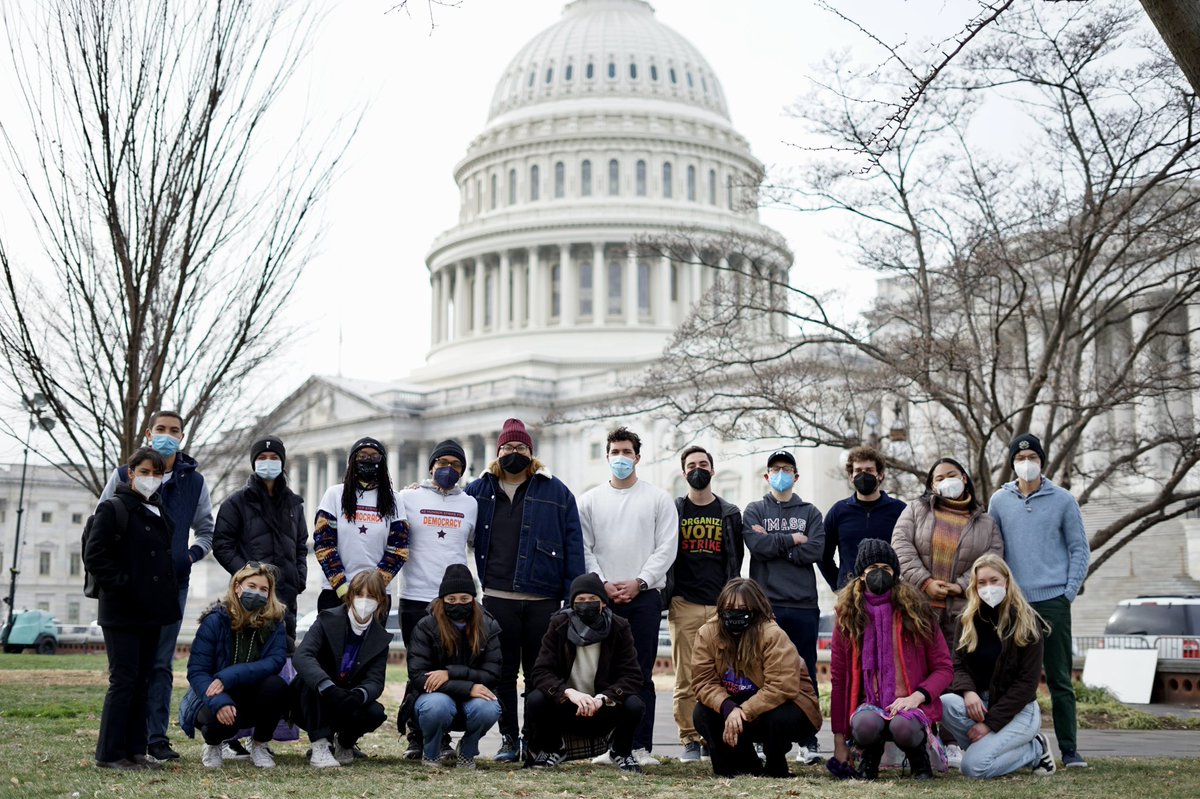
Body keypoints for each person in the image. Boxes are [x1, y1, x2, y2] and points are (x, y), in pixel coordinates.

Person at [464, 418, 584, 762]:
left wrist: (571, 598)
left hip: (542, 600)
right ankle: (507, 739)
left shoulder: (556, 491)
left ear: (531, 453)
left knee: (538, 674)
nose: (513, 453)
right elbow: (452, 506)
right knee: (501, 673)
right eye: (507, 448)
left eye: (520, 448)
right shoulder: (479, 489)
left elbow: (573, 546)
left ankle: (534, 738)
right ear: (497, 451)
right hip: (498, 598)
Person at [98, 410, 214, 762]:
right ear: (149, 433)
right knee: (129, 672)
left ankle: (154, 739)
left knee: (160, 664)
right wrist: (119, 579)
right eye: (160, 429)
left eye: (174, 431)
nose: (167, 435)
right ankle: (120, 746)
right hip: (128, 590)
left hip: (170, 586)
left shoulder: (193, 482)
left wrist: (189, 557)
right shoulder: (122, 477)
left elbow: (207, 530)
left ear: (182, 436)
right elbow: (98, 530)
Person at [988, 433, 1090, 768]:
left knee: (1059, 678)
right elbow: (994, 550)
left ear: (1042, 461)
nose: (1026, 462)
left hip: (1053, 603)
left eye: (1032, 456)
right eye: (1020, 457)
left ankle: (1070, 749)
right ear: (1012, 463)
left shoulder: (1063, 500)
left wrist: (1068, 593)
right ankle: (1022, 747)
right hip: (1014, 604)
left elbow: (1079, 549)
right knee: (1012, 679)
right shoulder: (999, 501)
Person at [578, 426, 677, 766]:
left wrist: (640, 581)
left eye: (626, 452)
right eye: (615, 452)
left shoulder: (658, 499)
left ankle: (638, 747)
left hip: (645, 598)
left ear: (637, 456)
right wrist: (602, 584)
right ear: (607, 457)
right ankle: (607, 747)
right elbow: (584, 549)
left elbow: (666, 548)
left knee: (640, 672)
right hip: (602, 601)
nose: (621, 458)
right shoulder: (589, 500)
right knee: (603, 673)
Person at [86, 447, 180, 770]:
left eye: (156, 473)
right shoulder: (114, 508)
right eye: (144, 472)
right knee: (124, 679)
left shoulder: (158, 510)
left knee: (143, 680)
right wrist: (123, 585)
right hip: (121, 611)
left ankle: (136, 749)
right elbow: (95, 556)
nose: (150, 478)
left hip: (151, 613)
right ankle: (110, 753)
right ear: (131, 474)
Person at [829, 539, 953, 780]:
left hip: (911, 703)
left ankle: (920, 759)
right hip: (869, 705)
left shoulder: (917, 611)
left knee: (902, 727)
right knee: (865, 725)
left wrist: (917, 696)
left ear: (895, 573)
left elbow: (944, 668)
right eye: (872, 568)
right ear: (861, 575)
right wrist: (838, 739)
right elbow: (839, 678)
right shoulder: (848, 616)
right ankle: (869, 759)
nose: (880, 573)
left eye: (886, 568)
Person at [741, 449, 825, 764]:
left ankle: (808, 741)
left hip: (803, 604)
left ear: (796, 475)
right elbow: (756, 547)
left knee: (806, 671)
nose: (780, 473)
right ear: (767, 475)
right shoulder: (754, 510)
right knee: (760, 670)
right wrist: (793, 539)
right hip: (765, 606)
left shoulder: (811, 511)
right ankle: (762, 737)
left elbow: (814, 551)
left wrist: (777, 545)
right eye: (775, 469)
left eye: (786, 468)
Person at [690, 578, 823, 778]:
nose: (734, 613)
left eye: (742, 608)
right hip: (738, 705)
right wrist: (728, 707)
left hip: (788, 705)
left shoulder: (772, 634)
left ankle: (776, 764)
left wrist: (742, 711)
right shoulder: (708, 633)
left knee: (777, 716)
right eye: (728, 608)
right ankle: (742, 765)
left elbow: (782, 686)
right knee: (703, 713)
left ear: (756, 608)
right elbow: (703, 682)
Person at [396, 439, 479, 758]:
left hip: (453, 601)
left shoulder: (470, 503)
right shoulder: (409, 497)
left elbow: (473, 542)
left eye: (456, 465)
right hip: (415, 596)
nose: (449, 469)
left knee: (446, 667)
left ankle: (439, 735)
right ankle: (416, 736)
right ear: (431, 465)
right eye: (443, 462)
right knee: (418, 670)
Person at [940, 554, 1057, 778]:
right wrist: (968, 691)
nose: (988, 587)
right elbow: (957, 664)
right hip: (981, 704)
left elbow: (1027, 684)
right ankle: (989, 749)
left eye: (994, 580)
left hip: (1018, 711)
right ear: (974, 587)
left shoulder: (1027, 621)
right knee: (946, 703)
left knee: (973, 768)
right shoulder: (966, 620)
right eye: (981, 583)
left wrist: (990, 724)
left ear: (1007, 581)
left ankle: (1035, 748)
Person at [665, 445, 744, 763]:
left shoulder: (729, 512)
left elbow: (735, 558)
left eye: (703, 464)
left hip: (720, 607)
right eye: (691, 465)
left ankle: (718, 736)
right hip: (684, 603)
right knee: (686, 677)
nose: (698, 469)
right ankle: (689, 739)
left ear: (712, 470)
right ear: (684, 473)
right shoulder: (674, 510)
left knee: (726, 676)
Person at [524, 573, 645, 773]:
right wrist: (568, 693)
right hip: (567, 706)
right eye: (580, 600)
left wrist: (603, 698)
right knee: (535, 699)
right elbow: (541, 672)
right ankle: (554, 748)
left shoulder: (619, 627)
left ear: (604, 603)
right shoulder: (558, 625)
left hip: (602, 708)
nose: (586, 604)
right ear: (572, 603)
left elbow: (632, 676)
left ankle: (621, 751)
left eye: (592, 600)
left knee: (635, 704)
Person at [178, 563, 288, 769]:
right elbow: (197, 671)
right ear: (237, 587)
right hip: (211, 696)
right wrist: (219, 701)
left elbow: (275, 661)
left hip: (251, 696)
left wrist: (228, 676)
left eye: (263, 589)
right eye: (251, 586)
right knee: (219, 721)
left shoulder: (274, 623)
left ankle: (259, 744)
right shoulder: (215, 620)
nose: (257, 593)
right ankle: (213, 744)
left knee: (277, 686)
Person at [891, 457, 1003, 645]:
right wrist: (926, 582)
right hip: (916, 610)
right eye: (940, 478)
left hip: (963, 615)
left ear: (964, 478)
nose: (947, 481)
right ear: (932, 486)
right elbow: (900, 546)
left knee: (957, 671)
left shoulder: (987, 523)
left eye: (952, 475)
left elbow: (993, 560)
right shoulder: (916, 509)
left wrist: (961, 586)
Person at [400, 564, 502, 769]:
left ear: (473, 600)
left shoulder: (488, 626)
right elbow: (418, 676)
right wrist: (467, 685)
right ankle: (431, 752)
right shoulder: (425, 626)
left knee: (489, 707)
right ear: (442, 600)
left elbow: (493, 674)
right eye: (451, 600)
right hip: (435, 699)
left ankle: (468, 752)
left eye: (465, 599)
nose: (458, 604)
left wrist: (450, 674)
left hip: (472, 699)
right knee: (437, 706)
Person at [213, 437, 307, 649]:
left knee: (284, 658)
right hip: (251, 597)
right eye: (262, 457)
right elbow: (221, 544)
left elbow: (301, 546)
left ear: (282, 462)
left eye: (274, 457)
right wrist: (249, 575)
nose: (268, 461)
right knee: (249, 655)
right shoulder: (236, 502)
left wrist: (299, 577)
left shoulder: (294, 505)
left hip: (286, 596)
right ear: (254, 462)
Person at [293, 570, 393, 768]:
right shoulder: (327, 619)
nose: (364, 601)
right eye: (359, 594)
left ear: (380, 601)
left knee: (375, 712)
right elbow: (302, 656)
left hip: (348, 698)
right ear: (350, 596)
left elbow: (375, 680)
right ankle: (320, 744)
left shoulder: (381, 638)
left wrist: (359, 695)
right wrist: (327, 686)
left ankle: (345, 742)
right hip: (316, 699)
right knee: (309, 680)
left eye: (371, 596)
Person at [312, 436, 410, 612]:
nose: (368, 461)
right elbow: (324, 544)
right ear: (352, 461)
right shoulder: (335, 494)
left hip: (376, 595)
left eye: (374, 457)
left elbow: (398, 549)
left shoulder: (394, 499)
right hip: (334, 592)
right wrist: (343, 588)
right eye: (362, 456)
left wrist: (372, 588)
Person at [819, 445, 906, 592]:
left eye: (869, 470)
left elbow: (909, 551)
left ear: (880, 475)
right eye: (858, 470)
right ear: (851, 476)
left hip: (890, 594)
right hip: (850, 596)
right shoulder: (838, 511)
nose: (863, 475)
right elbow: (823, 554)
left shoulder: (899, 510)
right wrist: (839, 586)